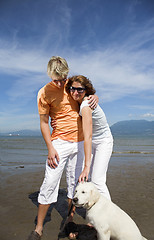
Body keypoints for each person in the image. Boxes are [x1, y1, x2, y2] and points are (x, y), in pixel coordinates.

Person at [27, 57, 98, 240]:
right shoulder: (44, 92)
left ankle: (69, 219)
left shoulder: (72, 85)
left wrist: (95, 96)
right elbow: (44, 123)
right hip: (58, 142)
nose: (60, 83)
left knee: (75, 184)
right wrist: (50, 147)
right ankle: (39, 228)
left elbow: (89, 94)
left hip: (80, 142)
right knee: (50, 183)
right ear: (49, 74)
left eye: (62, 78)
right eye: (55, 79)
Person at [65, 75, 113, 200]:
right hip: (92, 141)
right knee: (90, 178)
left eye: (80, 89)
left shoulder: (85, 106)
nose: (75, 92)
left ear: (85, 90)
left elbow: (88, 136)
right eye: (72, 89)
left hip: (103, 141)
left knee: (97, 180)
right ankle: (94, 211)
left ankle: (109, 213)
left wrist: (86, 167)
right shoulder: (80, 101)